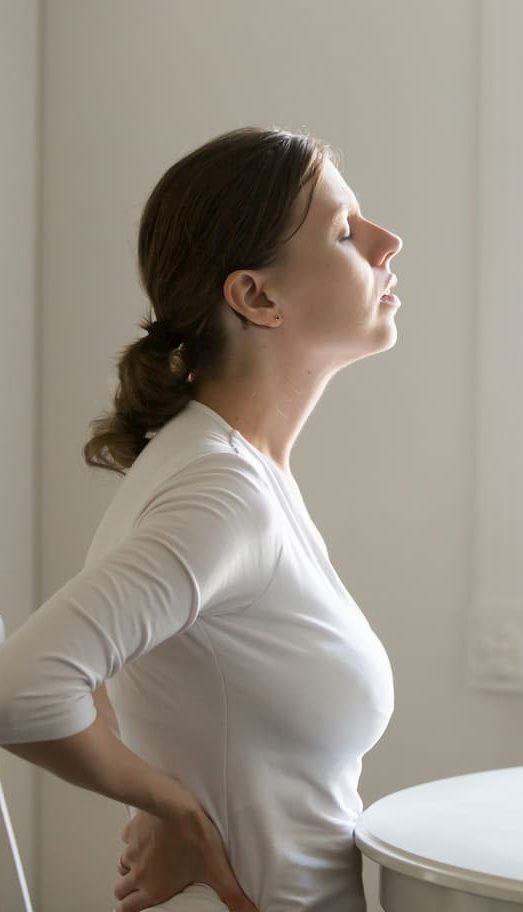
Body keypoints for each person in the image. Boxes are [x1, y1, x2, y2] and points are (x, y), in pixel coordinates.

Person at [0, 125, 402, 911]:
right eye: (345, 232)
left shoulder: (229, 468)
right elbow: (22, 689)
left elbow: (149, 680)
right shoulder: (223, 491)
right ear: (257, 295)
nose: (388, 242)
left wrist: (170, 780)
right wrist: (169, 803)